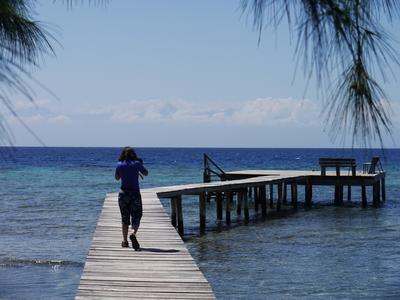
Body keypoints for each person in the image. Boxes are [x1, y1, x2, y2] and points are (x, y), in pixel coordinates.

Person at [115, 147, 148, 250]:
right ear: (133, 154)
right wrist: (138, 169)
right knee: (136, 216)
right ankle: (133, 233)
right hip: (134, 194)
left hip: (123, 194)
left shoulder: (119, 165)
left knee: (124, 218)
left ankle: (125, 242)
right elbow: (146, 173)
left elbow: (117, 178)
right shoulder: (137, 164)